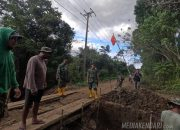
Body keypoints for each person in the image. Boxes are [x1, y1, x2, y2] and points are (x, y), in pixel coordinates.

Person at [19, 47, 52, 130]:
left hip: (40, 87)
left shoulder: (43, 61)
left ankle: (34, 119)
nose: (49, 55)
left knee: (37, 103)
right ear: (43, 52)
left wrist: (44, 82)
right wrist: (33, 88)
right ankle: (23, 122)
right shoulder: (33, 59)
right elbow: (30, 74)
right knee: (27, 105)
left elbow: (43, 73)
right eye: (48, 53)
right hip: (31, 87)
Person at [0, 27, 22, 121]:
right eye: (13, 38)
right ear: (4, 37)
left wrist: (16, 86)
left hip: (4, 92)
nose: (15, 41)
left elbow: (12, 72)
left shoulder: (10, 54)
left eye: (17, 39)